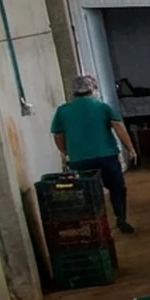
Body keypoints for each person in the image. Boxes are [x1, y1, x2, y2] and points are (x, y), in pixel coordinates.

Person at [51, 74, 138, 232]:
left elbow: (58, 134)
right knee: (117, 188)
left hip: (79, 160)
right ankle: (121, 218)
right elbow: (119, 127)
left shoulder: (63, 110)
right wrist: (130, 148)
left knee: (86, 192)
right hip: (106, 157)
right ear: (93, 89)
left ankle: (92, 225)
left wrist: (64, 153)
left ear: (73, 92)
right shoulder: (102, 107)